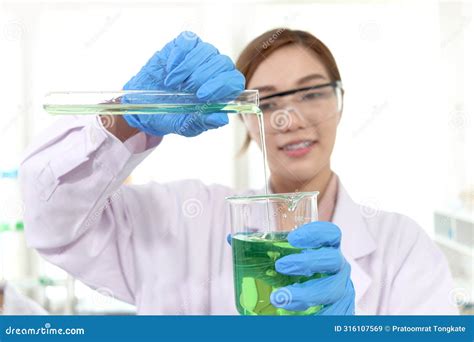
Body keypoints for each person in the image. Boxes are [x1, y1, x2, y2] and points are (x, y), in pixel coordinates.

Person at [20, 29, 457, 315]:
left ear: (339, 103)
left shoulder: (403, 250)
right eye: (266, 101)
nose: (291, 118)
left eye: (311, 94)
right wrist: (128, 116)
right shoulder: (183, 219)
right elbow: (51, 218)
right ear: (245, 120)